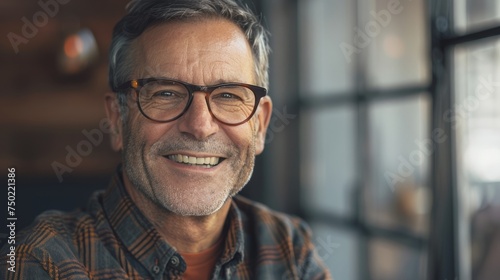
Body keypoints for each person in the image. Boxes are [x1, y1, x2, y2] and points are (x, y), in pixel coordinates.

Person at [1, 0, 331, 279]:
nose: (200, 126)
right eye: (167, 93)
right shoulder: (43, 262)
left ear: (260, 125)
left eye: (228, 95)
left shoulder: (289, 248)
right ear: (117, 119)